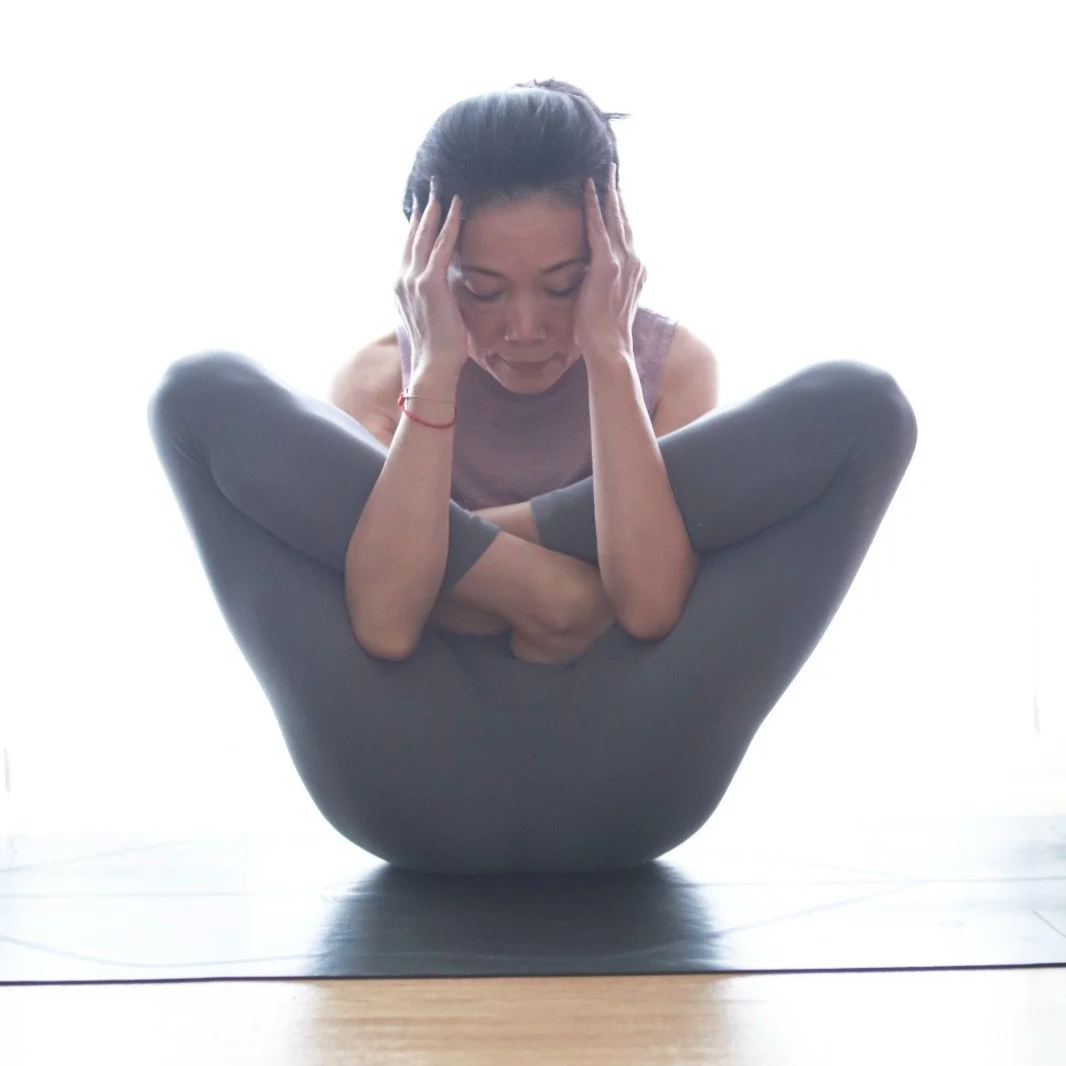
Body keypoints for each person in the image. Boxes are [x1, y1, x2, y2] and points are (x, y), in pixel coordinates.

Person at [146, 79, 918, 876]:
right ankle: (540, 583)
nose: (526, 328)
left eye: (563, 285)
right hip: (402, 776)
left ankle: (497, 557)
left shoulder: (668, 367)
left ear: (614, 260)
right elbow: (385, 621)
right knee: (199, 394)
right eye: (481, 290)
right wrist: (438, 381)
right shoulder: (382, 379)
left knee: (862, 407)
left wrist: (609, 359)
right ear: (427, 268)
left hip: (638, 769)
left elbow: (650, 604)